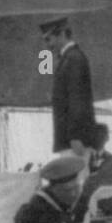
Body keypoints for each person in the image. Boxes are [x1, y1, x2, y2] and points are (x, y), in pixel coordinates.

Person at [41, 16, 95, 155]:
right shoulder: (70, 58)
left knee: (77, 170)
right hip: (70, 141)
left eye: (49, 39)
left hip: (74, 142)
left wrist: (76, 137)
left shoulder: (73, 59)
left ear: (62, 34)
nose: (47, 46)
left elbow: (78, 100)